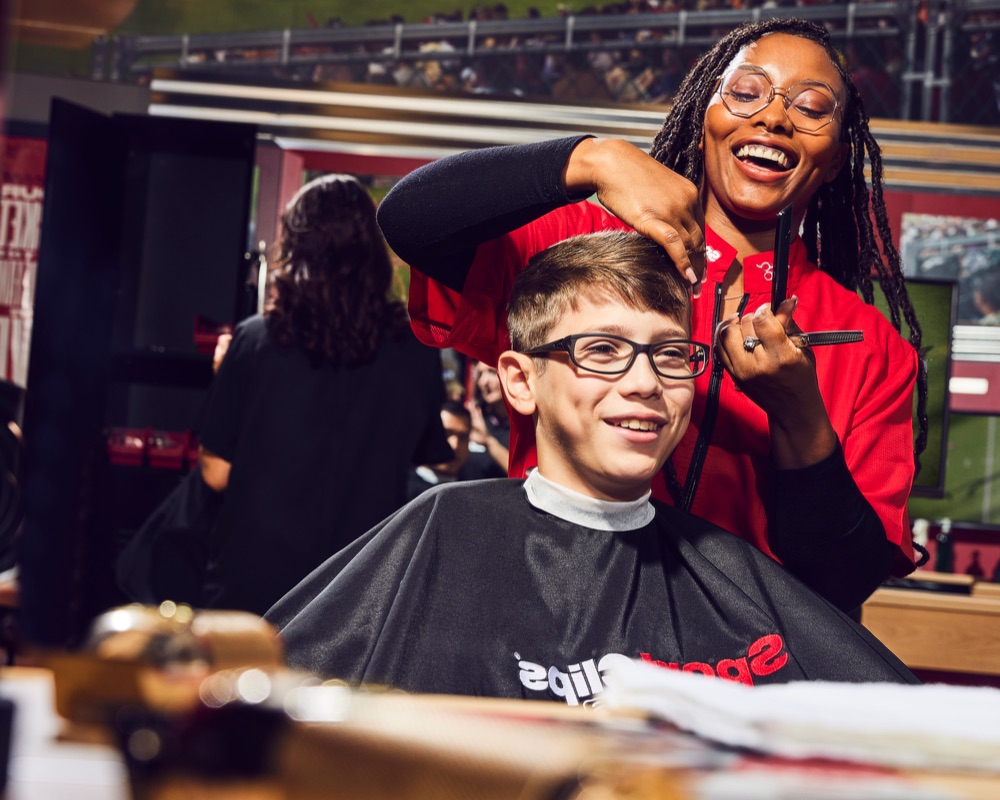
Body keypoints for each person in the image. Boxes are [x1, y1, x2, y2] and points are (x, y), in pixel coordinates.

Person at [376, 19, 925, 611]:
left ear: (837, 158)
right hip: (552, 620)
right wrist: (591, 159)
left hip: (744, 658)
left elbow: (844, 584)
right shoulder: (581, 246)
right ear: (704, 116)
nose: (773, 118)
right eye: (746, 92)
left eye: (811, 107)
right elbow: (411, 220)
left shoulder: (873, 348)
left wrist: (800, 418)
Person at [267, 232, 918, 700]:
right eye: (602, 350)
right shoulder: (440, 532)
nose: (644, 382)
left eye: (671, 355)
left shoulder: (734, 577)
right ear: (520, 381)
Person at [197, 174, 452, 616]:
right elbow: (429, 456)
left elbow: (216, 474)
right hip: (362, 589)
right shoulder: (414, 348)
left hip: (254, 588)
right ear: (373, 251)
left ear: (295, 249)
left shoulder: (255, 341)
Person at [407, 400, 476, 499]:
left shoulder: (475, 491)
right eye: (446, 434)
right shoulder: (401, 491)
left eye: (463, 437)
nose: (455, 446)